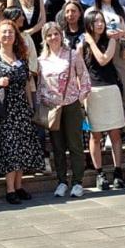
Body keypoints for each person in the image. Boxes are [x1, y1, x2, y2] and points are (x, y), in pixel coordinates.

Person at [0, 19, 44, 203]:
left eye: (11, 32)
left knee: (22, 147)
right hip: (3, 109)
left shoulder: (21, 58)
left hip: (21, 108)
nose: (8, 35)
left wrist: (31, 105)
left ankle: (18, 186)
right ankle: (9, 190)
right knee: (10, 148)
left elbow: (26, 83)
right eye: (4, 32)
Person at [38, 21, 90, 199]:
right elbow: (40, 84)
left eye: (56, 34)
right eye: (49, 35)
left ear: (61, 35)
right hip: (52, 107)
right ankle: (61, 181)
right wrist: (42, 101)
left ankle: (77, 182)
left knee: (75, 145)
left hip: (71, 104)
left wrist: (82, 97)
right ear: (45, 39)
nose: (53, 38)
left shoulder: (72, 55)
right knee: (57, 146)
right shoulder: (41, 60)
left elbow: (83, 76)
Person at [81, 10, 125, 190]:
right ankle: (99, 173)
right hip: (92, 91)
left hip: (110, 88)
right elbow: (80, 67)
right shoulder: (82, 44)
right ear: (89, 24)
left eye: (102, 21)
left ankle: (118, 171)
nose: (100, 24)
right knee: (95, 135)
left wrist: (91, 41)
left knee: (115, 133)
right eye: (96, 21)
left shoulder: (111, 39)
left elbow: (103, 59)